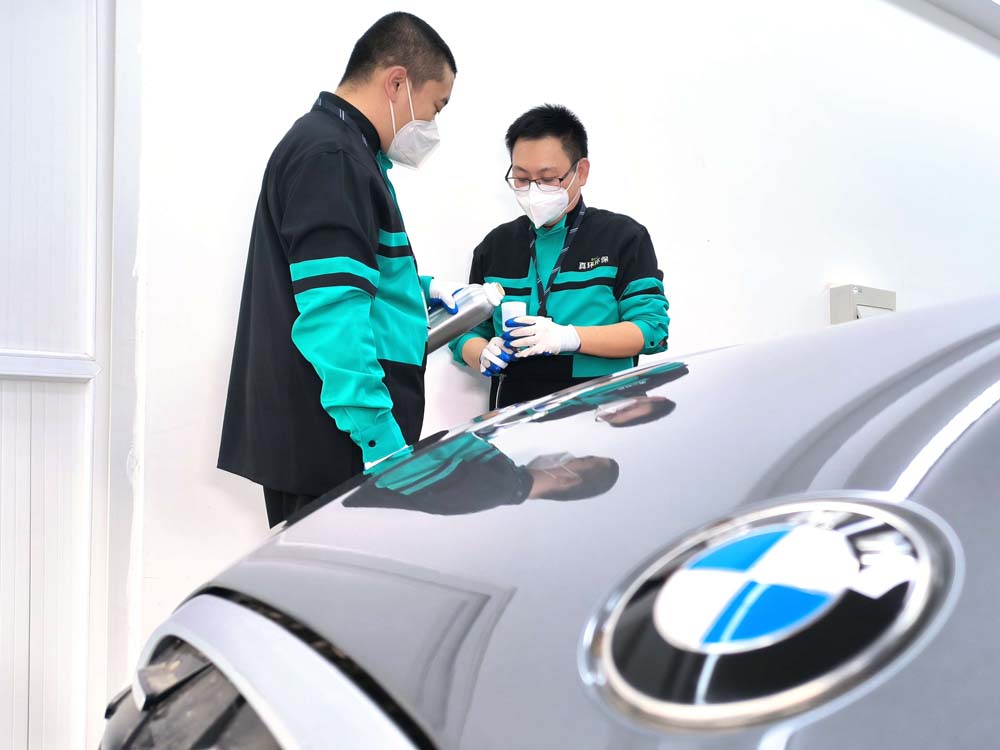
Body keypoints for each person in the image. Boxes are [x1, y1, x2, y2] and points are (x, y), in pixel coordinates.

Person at [218, 12, 465, 527]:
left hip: (326, 435)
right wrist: (379, 441)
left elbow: (343, 276)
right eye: (435, 106)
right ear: (397, 82)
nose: (432, 126)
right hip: (334, 444)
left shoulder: (342, 149)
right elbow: (333, 314)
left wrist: (421, 291)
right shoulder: (333, 156)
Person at [449, 105, 671, 409]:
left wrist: (569, 338)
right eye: (521, 179)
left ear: (581, 172)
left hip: (602, 409)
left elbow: (650, 329)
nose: (533, 191)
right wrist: (483, 353)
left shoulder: (622, 237)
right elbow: (464, 333)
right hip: (514, 412)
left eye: (548, 178)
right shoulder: (496, 246)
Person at [342, 430, 620, 515]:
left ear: (569, 479)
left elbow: (396, 471)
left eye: (581, 459)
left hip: (342, 483)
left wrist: (375, 429)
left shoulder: (495, 488)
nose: (569, 454)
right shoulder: (504, 476)